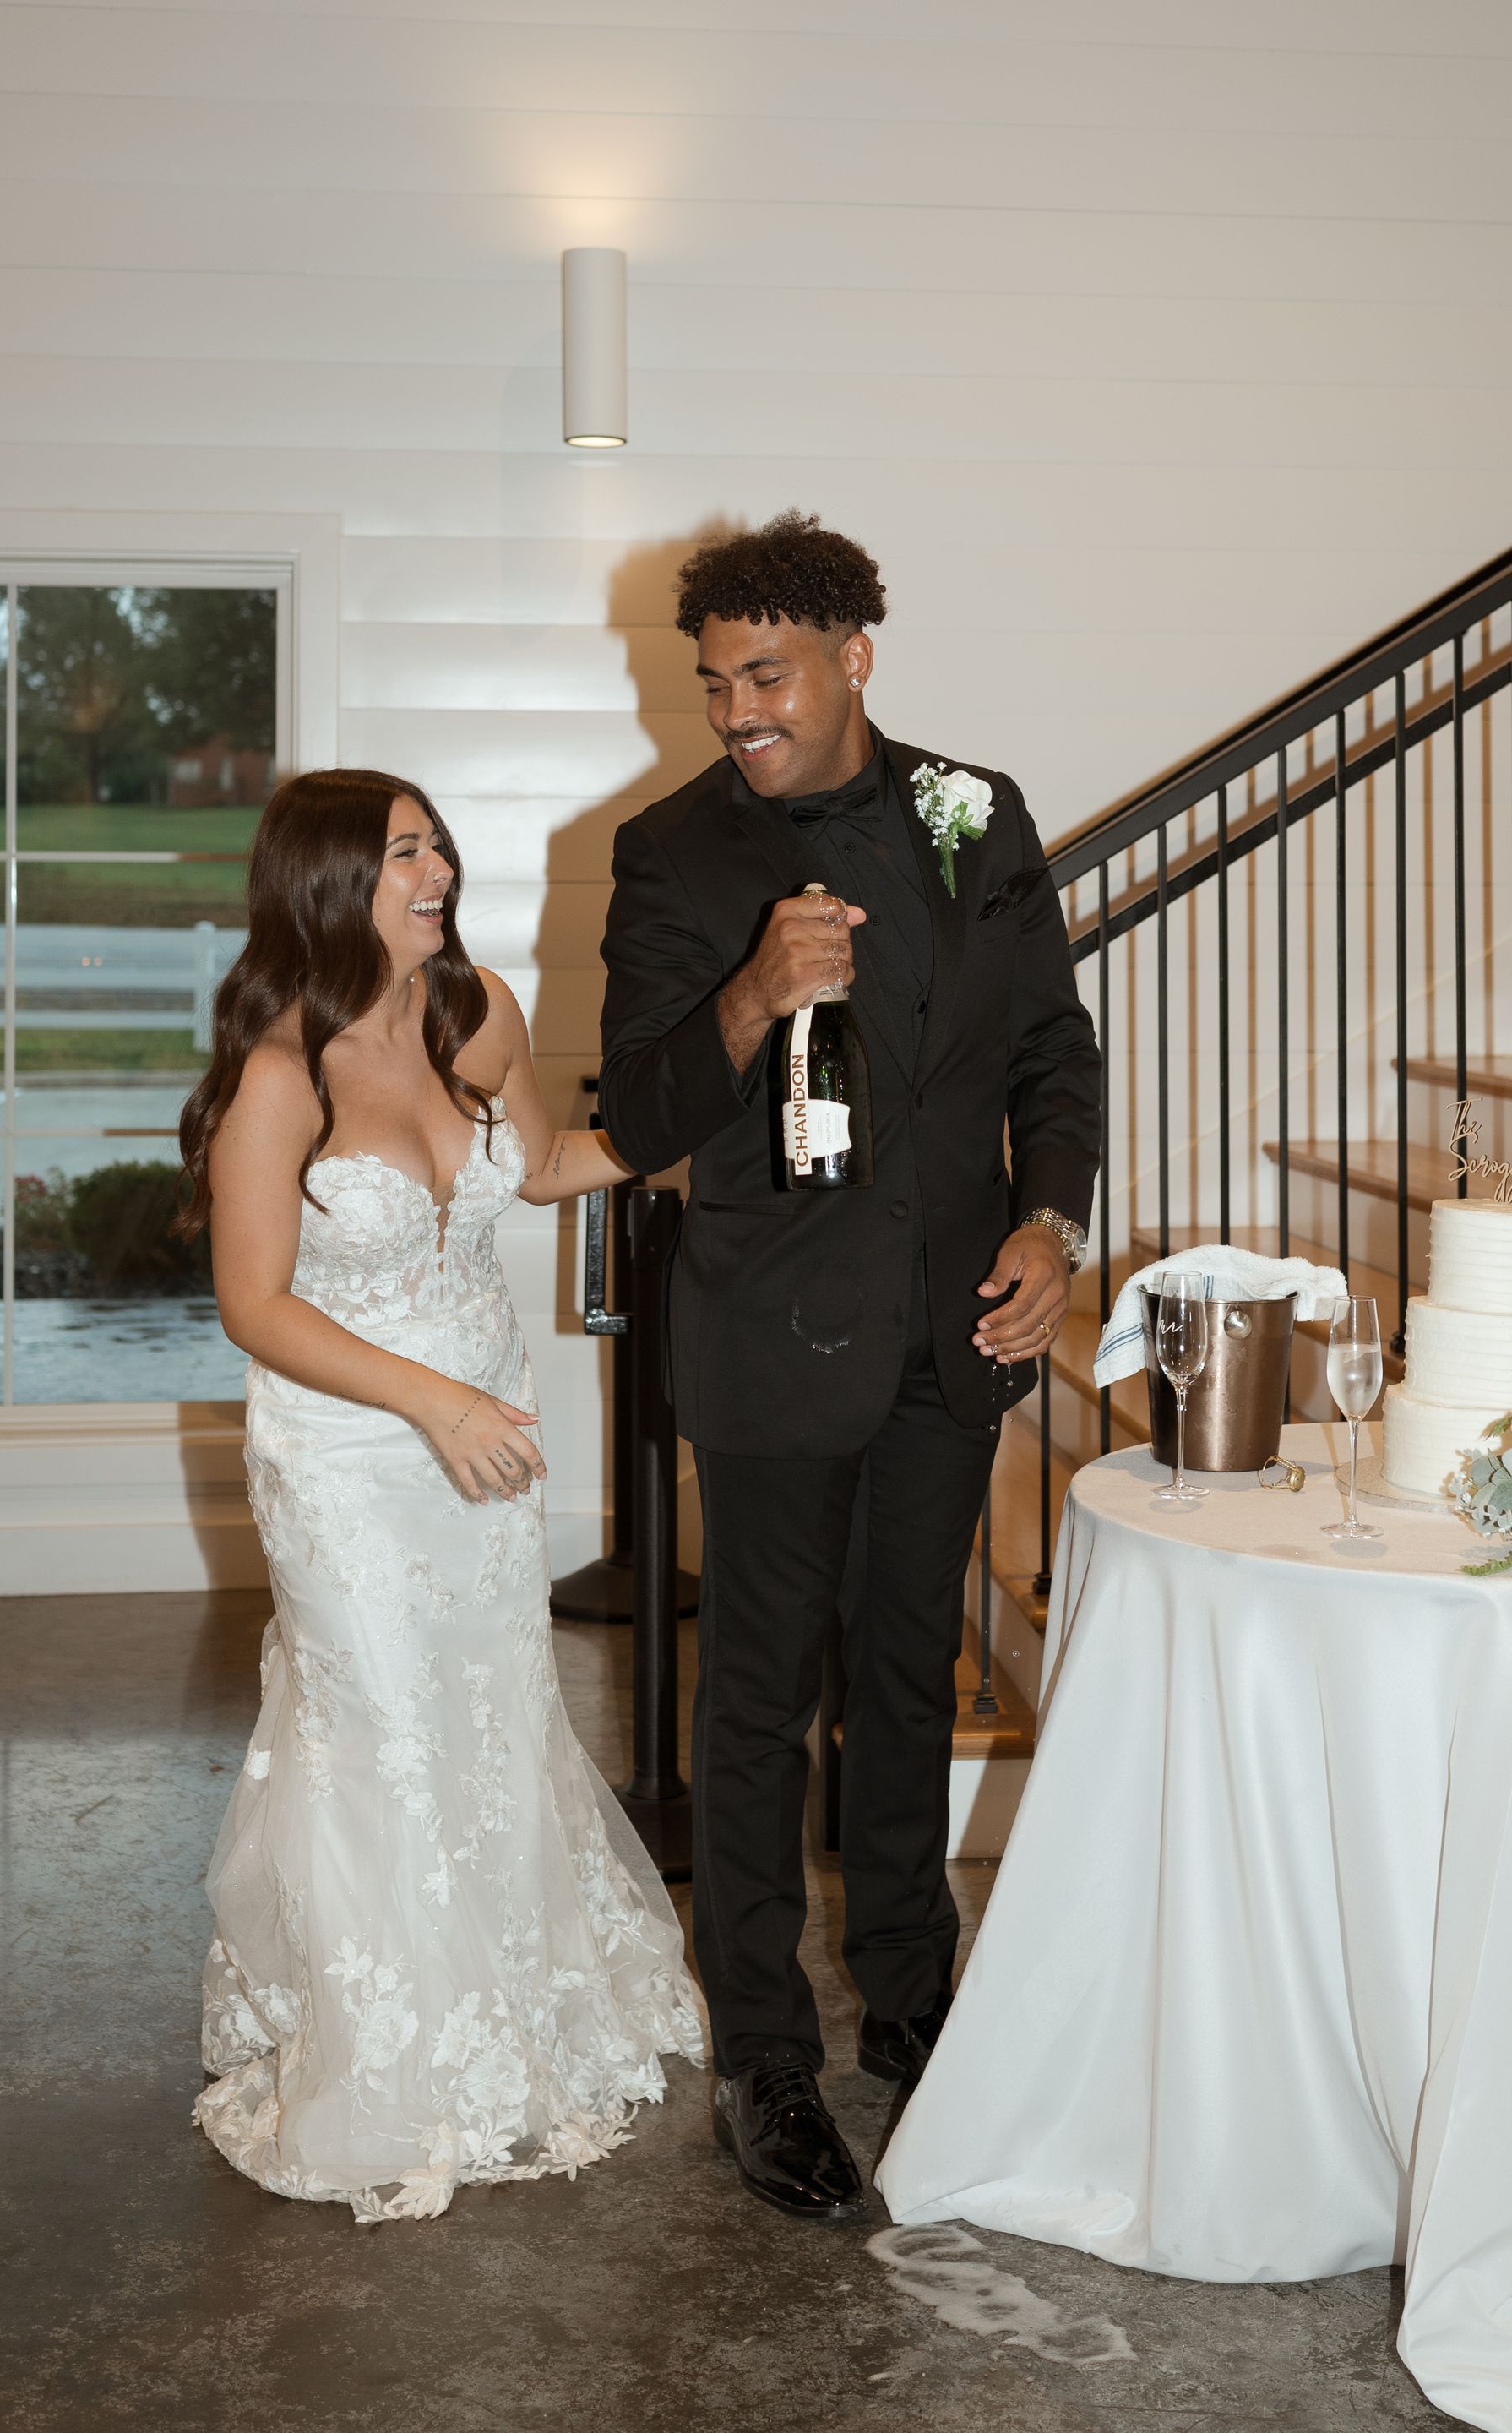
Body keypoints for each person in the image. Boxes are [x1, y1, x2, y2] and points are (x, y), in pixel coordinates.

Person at [598, 513, 1100, 2220]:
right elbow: (644, 1115)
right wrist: (748, 997)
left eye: (768, 675)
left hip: (952, 1333)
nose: (736, 708)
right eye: (714, 681)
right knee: (757, 1703)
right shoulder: (671, 855)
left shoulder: (970, 810)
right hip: (770, 1341)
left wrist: (1051, 1220)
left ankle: (907, 1997)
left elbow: (1051, 1048)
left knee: (904, 1686)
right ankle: (763, 2056)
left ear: (855, 659)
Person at [177, 767, 701, 2223]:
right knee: (383, 1734)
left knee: (488, 1710)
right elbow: (252, 1305)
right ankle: (393, 2061)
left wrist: (704, 1123)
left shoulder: (477, 1016)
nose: (438, 872)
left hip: (486, 1447)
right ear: (328, 884)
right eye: (403, 852)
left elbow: (540, 1168)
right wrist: (430, 1400)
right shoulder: (280, 1072)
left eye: (436, 845)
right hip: (351, 1457)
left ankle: (515, 2004)